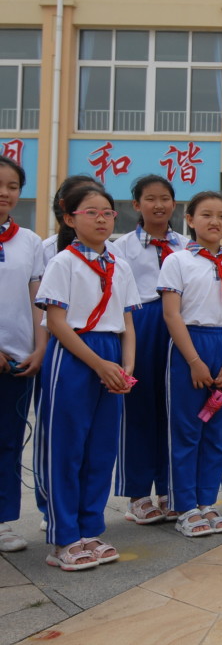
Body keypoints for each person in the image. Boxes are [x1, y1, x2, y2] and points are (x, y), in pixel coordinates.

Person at [34, 184, 140, 570]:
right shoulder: (64, 262)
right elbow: (56, 323)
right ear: (69, 219)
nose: (100, 218)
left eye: (107, 212)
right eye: (90, 212)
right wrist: (100, 365)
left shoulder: (120, 264)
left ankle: (90, 530)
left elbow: (127, 320)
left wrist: (126, 366)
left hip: (112, 355)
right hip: (75, 356)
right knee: (66, 448)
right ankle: (63, 538)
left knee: (101, 449)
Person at [157, 191, 222, 537]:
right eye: (207, 215)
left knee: (216, 431)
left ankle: (206, 502)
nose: (215, 222)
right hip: (191, 344)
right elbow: (171, 314)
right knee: (186, 430)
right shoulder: (177, 261)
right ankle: (183, 506)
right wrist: (194, 361)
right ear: (190, 220)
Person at [108, 174, 188, 525]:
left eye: (166, 198)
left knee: (175, 407)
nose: (159, 205)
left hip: (179, 325)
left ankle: (169, 487)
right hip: (139, 324)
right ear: (136, 205)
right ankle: (138, 494)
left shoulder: (187, 246)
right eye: (151, 199)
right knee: (138, 408)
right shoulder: (120, 247)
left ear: (174, 204)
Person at [0, 156, 46, 553]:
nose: (4, 192)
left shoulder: (28, 241)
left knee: (9, 441)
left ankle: (2, 522)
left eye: (12, 186)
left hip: (18, 361)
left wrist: (39, 348)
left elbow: (38, 300)